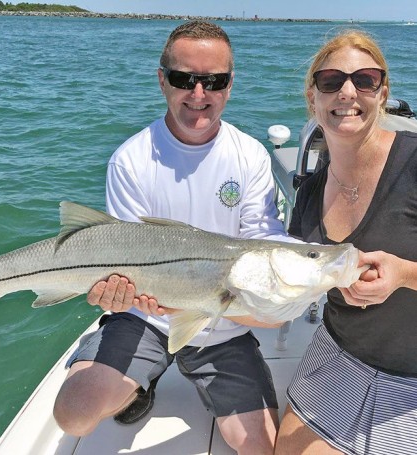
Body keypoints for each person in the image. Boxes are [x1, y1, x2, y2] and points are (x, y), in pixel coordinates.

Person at [53, 21, 290, 454]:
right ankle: (141, 385)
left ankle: (200, 372)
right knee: (74, 413)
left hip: (225, 324)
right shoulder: (131, 159)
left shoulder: (251, 155)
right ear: (162, 79)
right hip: (145, 317)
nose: (199, 94)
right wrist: (115, 294)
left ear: (230, 85)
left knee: (261, 447)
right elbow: (119, 254)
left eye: (214, 81)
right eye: (184, 79)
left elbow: (262, 241)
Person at [275, 29, 417, 455]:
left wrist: (405, 274)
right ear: (313, 98)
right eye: (331, 81)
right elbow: (293, 292)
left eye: (366, 80)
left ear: (383, 92)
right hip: (341, 356)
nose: (348, 91)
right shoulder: (309, 193)